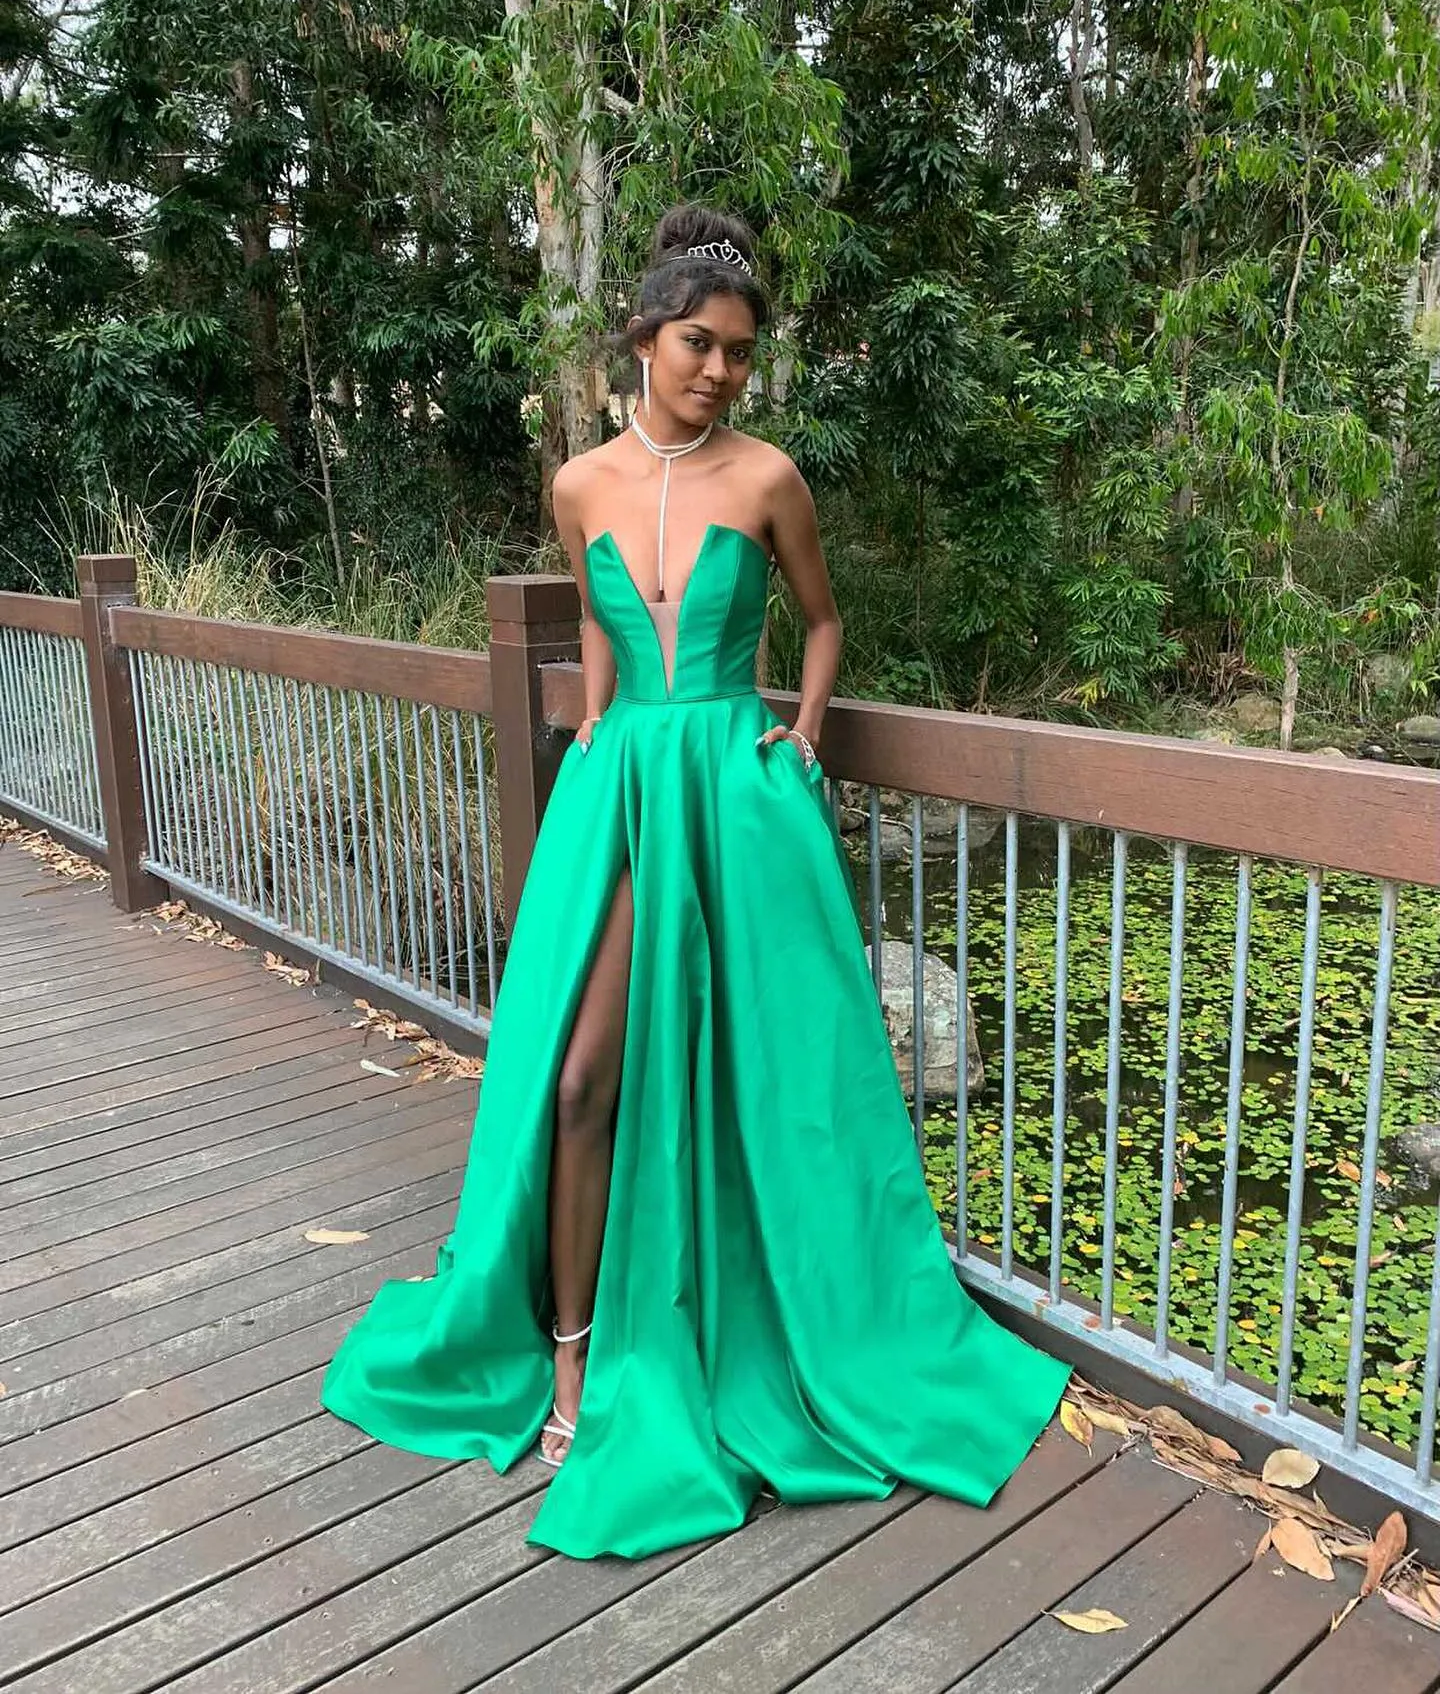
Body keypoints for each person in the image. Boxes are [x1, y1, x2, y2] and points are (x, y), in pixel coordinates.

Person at [320, 202, 1070, 1560]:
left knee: (758, 1073)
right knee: (578, 1078)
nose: (719, 370)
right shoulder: (579, 484)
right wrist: (597, 720)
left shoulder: (770, 478)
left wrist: (808, 734)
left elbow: (824, 622)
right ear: (645, 339)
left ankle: (747, 1329)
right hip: (619, 796)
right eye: (698, 345)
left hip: (734, 793)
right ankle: (569, 1352)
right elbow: (599, 621)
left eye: (737, 353)